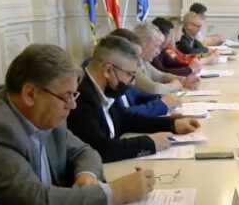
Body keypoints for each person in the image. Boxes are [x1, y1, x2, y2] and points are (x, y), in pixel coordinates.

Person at [0, 44, 157, 205]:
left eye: (74, 95)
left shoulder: (45, 111)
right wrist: (116, 192)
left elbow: (85, 151)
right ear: (30, 94)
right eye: (67, 96)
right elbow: (36, 204)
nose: (72, 105)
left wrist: (86, 176)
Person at [67, 35, 200, 163]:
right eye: (130, 74)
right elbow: (100, 149)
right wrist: (150, 143)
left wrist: (172, 124)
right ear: (108, 70)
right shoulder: (80, 97)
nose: (133, 82)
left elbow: (127, 119)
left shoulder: (103, 88)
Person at [133, 23, 200, 94]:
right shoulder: (132, 63)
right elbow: (154, 89)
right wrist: (174, 86)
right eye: (156, 46)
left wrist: (184, 80)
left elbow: (161, 76)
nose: (158, 52)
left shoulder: (144, 61)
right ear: (143, 42)